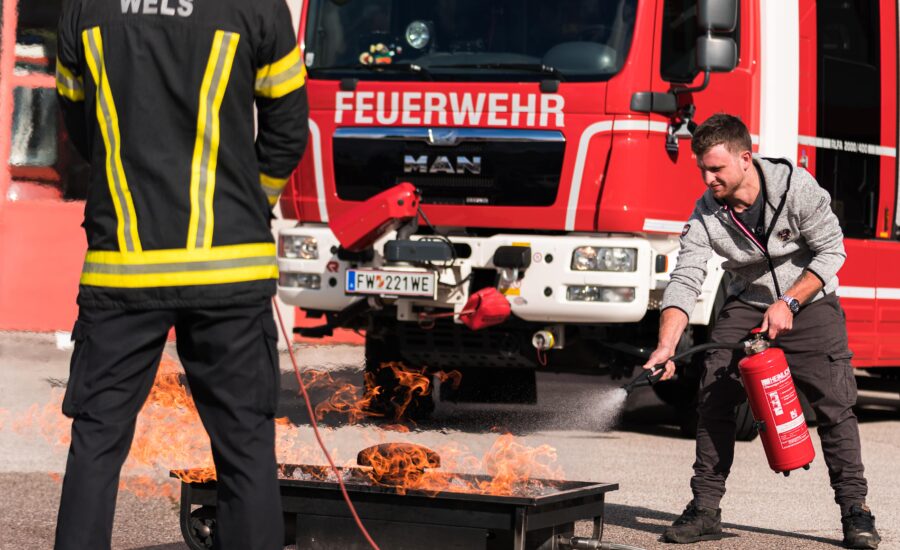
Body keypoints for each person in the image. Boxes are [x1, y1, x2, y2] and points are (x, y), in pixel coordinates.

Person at [54, 0, 308, 548]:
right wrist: (249, 204)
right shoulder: (255, 7)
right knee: (245, 450)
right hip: (229, 273)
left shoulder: (85, 9)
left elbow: (79, 125)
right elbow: (288, 131)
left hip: (123, 268)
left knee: (96, 445)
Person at [642, 114, 879, 549]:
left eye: (716, 169)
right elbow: (686, 279)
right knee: (713, 397)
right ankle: (705, 510)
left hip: (811, 303)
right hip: (747, 304)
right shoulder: (706, 214)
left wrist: (790, 300)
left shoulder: (797, 188)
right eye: (702, 170)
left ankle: (855, 513)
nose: (708, 179)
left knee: (835, 407)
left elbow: (832, 251)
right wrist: (665, 347)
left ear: (745, 158)